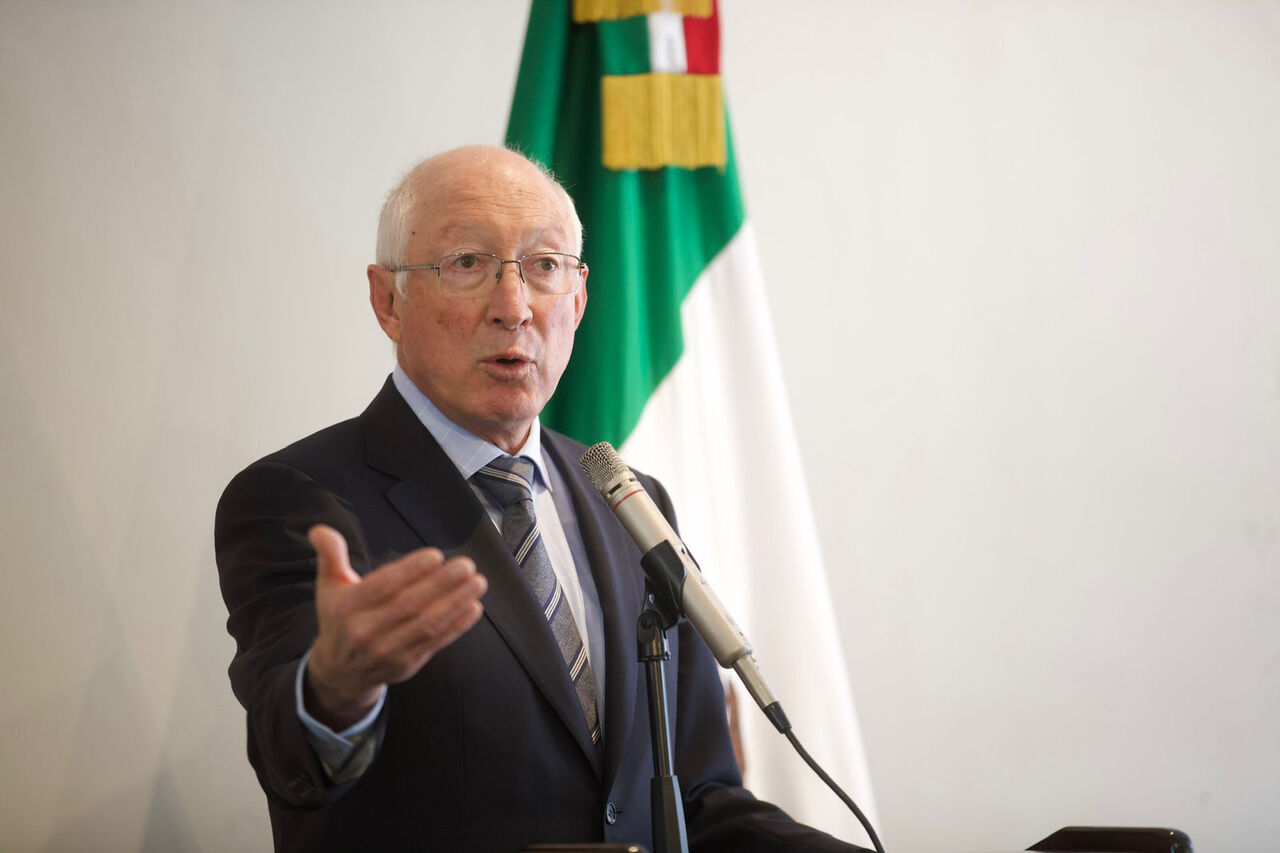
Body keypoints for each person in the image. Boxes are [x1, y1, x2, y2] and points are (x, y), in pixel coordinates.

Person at [215, 145, 865, 852]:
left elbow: (700, 800)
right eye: (467, 262)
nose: (514, 307)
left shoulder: (632, 505)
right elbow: (291, 764)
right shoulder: (297, 500)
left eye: (545, 265)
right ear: (387, 300)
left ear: (578, 300)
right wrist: (335, 689)